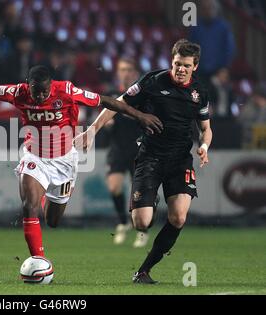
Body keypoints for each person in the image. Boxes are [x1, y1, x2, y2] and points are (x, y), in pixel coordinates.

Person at [0, 65, 162, 259]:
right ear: (27, 86)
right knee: (29, 207)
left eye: (44, 92)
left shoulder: (66, 91)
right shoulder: (17, 92)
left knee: (53, 221)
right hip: (35, 157)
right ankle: (38, 261)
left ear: (51, 86)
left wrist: (140, 116)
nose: (40, 97)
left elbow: (106, 101)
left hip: (64, 161)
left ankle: (45, 192)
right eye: (35, 92)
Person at [75, 39, 213, 284]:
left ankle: (144, 271)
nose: (180, 69)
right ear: (172, 61)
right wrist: (92, 130)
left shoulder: (199, 93)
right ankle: (150, 197)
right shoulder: (152, 81)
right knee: (141, 223)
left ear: (195, 66)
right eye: (177, 64)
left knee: (178, 218)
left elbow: (206, 127)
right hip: (150, 156)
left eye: (186, 66)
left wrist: (203, 146)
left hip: (180, 159)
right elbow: (117, 104)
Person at [103, 57, 151, 247]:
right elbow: (103, 117)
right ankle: (123, 223)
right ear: (118, 72)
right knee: (114, 186)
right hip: (117, 147)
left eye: (129, 69)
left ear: (135, 72)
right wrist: (107, 123)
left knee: (138, 192)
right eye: (122, 69)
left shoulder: (142, 95)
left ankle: (142, 230)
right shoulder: (112, 94)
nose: (125, 73)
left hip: (139, 147)